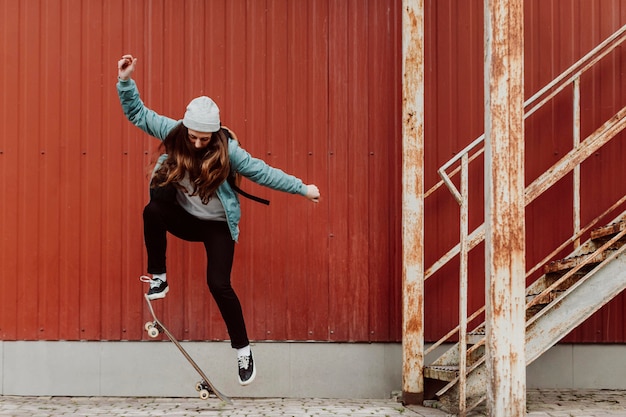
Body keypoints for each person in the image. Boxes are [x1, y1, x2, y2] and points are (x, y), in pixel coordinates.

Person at [116, 54, 320, 386]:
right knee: (152, 209)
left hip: (217, 227)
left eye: (204, 139)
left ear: (214, 135)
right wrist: (125, 82)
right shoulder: (173, 131)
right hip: (184, 218)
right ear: (185, 129)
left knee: (218, 283)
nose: (197, 143)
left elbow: (263, 173)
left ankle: (243, 350)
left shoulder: (229, 152)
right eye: (193, 137)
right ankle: (160, 277)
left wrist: (302, 188)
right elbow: (138, 113)